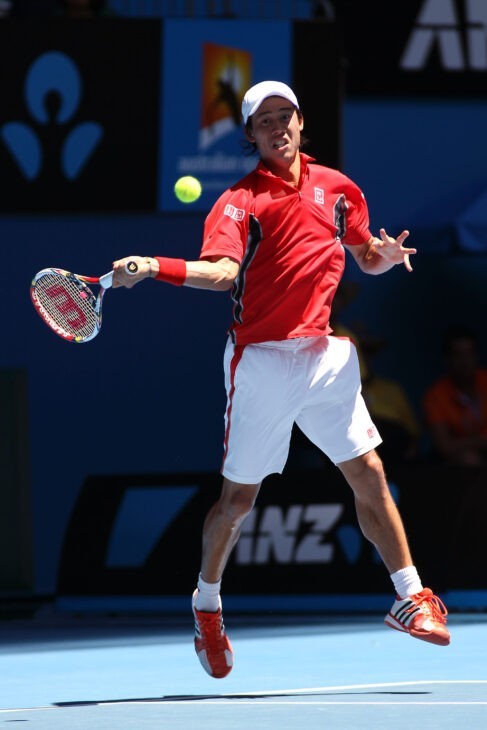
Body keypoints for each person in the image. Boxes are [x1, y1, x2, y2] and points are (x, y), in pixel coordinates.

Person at [112, 80, 450, 678]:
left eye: (284, 115)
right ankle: (207, 606)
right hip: (261, 361)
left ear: (300, 121)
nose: (277, 127)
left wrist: (384, 257)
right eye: (264, 120)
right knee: (238, 501)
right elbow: (222, 274)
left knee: (369, 471)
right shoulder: (237, 202)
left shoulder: (339, 188)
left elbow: (364, 254)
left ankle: (410, 596)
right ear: (251, 135)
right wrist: (154, 266)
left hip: (322, 355)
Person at [423, 326, 487, 466]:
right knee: (470, 459)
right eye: (458, 355)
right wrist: (481, 441)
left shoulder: (484, 380)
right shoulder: (436, 395)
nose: (465, 361)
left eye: (469, 353)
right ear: (447, 359)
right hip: (458, 466)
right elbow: (444, 446)